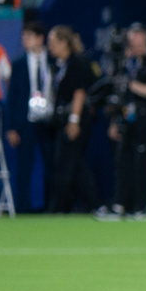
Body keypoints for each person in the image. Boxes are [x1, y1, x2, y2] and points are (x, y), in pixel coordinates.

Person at [97, 24, 146, 220]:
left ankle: (141, 207)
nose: (135, 48)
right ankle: (121, 205)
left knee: (144, 165)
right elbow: (118, 95)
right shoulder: (125, 63)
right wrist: (113, 121)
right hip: (127, 119)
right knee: (123, 163)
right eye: (132, 44)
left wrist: (132, 84)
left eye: (138, 43)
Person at [46, 25, 101, 212]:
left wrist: (74, 121)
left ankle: (60, 208)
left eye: (52, 43)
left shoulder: (77, 63)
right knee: (75, 165)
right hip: (63, 119)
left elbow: (79, 93)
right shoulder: (59, 65)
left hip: (75, 120)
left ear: (64, 42)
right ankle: (91, 206)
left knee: (68, 164)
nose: (49, 47)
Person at [2, 20, 55, 212]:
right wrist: (10, 127)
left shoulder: (53, 61)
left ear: (41, 38)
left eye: (29, 36)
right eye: (24, 37)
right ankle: (22, 208)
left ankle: (52, 207)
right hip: (27, 121)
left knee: (52, 165)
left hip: (50, 120)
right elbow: (12, 97)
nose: (25, 40)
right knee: (24, 167)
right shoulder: (18, 64)